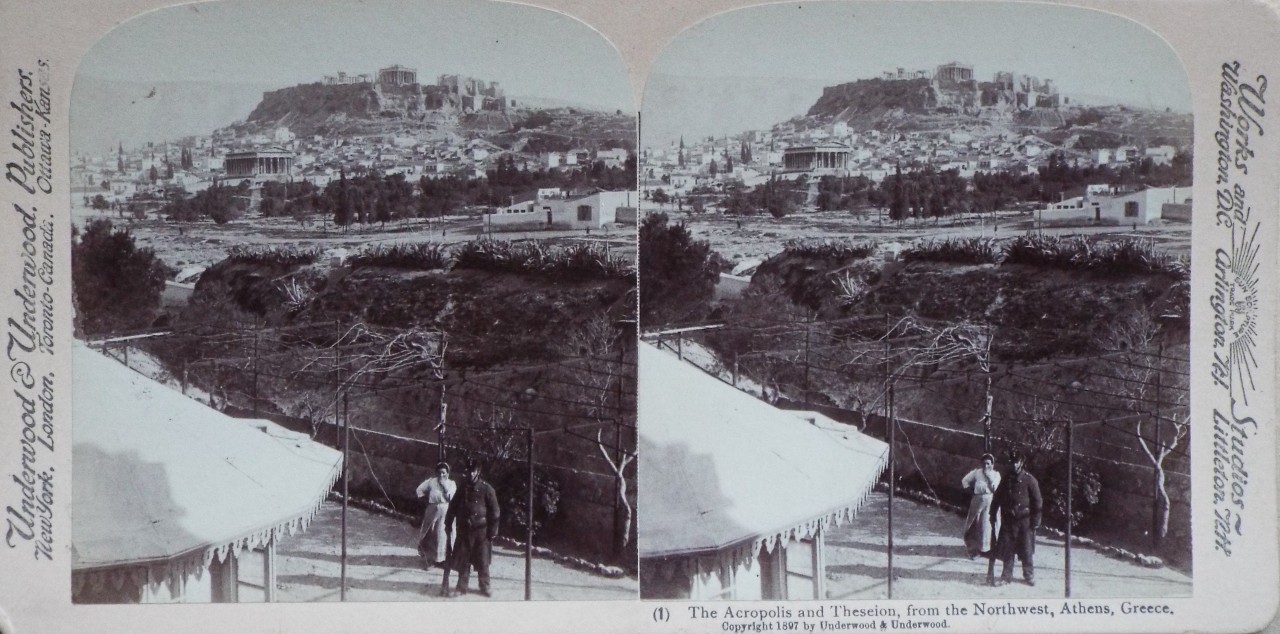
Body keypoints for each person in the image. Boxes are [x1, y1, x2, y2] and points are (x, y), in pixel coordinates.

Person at [441, 459, 501, 597]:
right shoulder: (463, 488)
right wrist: (448, 522)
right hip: (465, 530)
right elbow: (453, 506)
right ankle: (462, 587)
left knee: (483, 561)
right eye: (467, 471)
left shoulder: (487, 489)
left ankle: (485, 586)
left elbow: (495, 512)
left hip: (482, 532)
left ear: (478, 472)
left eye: (472, 471)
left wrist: (493, 531)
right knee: (464, 559)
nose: (469, 474)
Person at [989, 449, 1042, 586]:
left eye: (1016, 462)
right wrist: (992, 512)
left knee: (1026, 549)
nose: (1013, 465)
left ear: (1021, 463)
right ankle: (1006, 576)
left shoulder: (1030, 480)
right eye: (1011, 462)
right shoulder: (1006, 479)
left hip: (1024, 521)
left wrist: (1036, 521)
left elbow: (1037, 502)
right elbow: (997, 497)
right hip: (1008, 520)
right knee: (1008, 549)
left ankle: (1028, 575)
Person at [414, 462, 456, 569]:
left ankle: (443, 560)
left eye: (443, 473)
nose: (441, 475)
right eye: (439, 473)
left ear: (447, 473)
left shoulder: (451, 484)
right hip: (432, 510)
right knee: (431, 533)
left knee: (443, 535)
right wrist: (425, 500)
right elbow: (419, 489)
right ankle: (431, 559)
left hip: (446, 510)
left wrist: (444, 485)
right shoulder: (431, 482)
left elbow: (451, 497)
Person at [960, 453, 1001, 559]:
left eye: (988, 464)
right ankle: (974, 549)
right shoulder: (977, 473)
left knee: (987, 524)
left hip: (990, 501)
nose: (986, 466)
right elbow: (964, 480)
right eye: (984, 464)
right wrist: (971, 490)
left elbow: (994, 488)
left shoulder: (996, 475)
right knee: (975, 523)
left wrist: (988, 476)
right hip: (977, 501)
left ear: (992, 464)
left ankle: (987, 549)